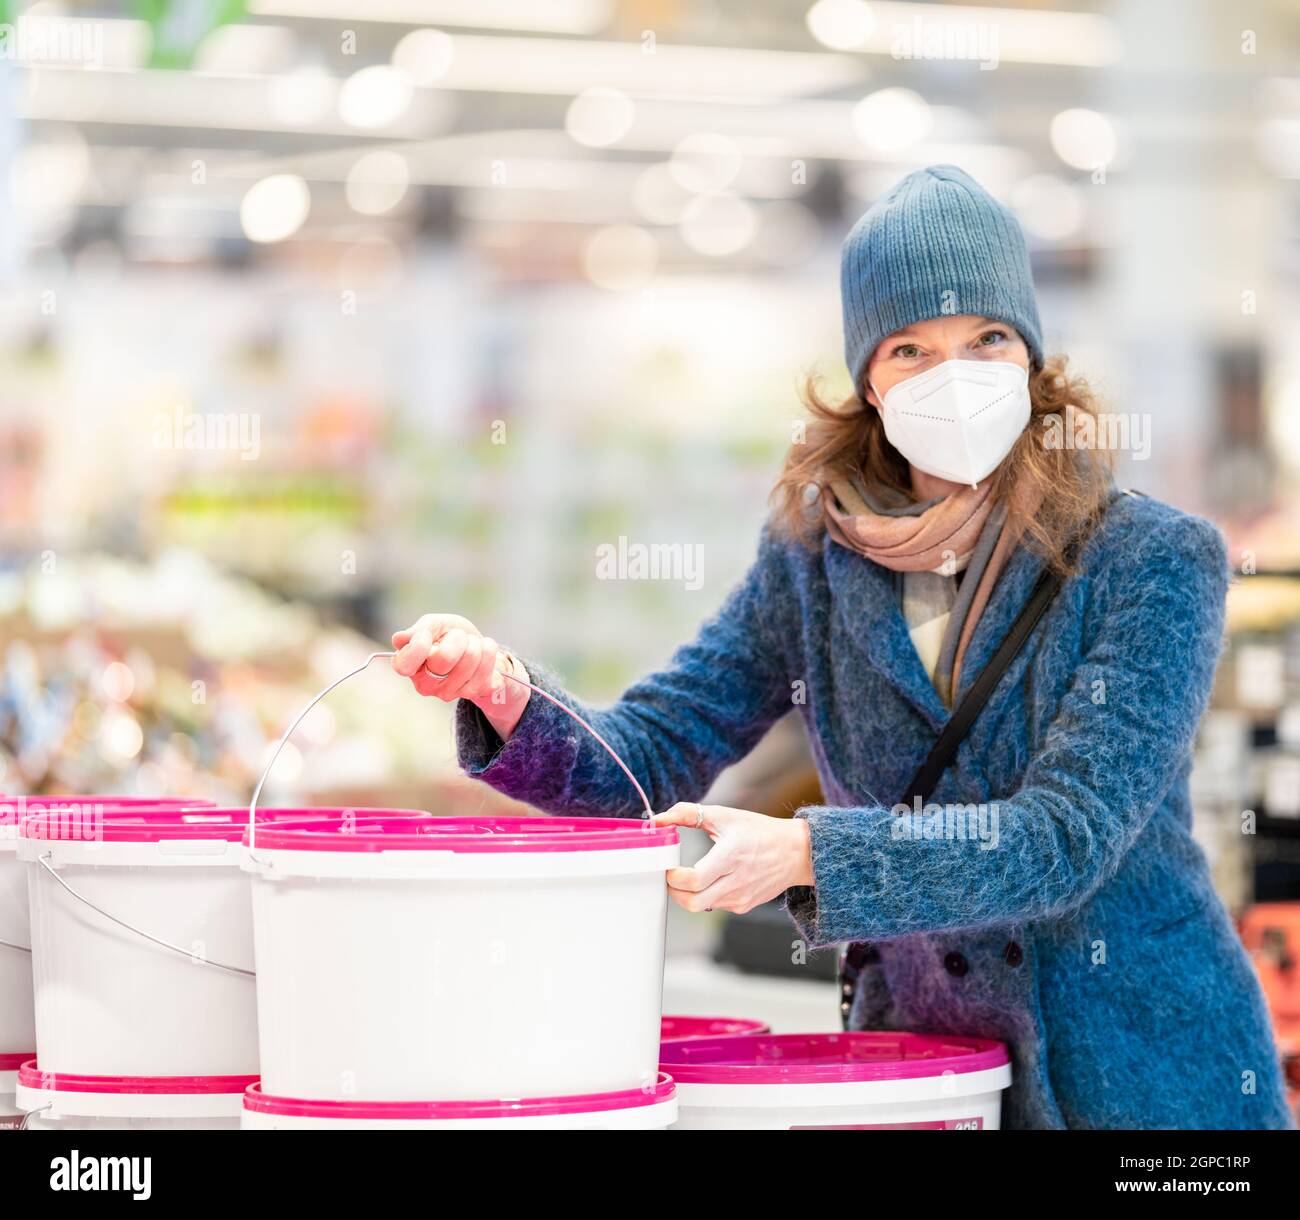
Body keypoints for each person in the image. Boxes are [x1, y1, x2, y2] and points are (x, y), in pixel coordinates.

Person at [392, 165, 1292, 1130]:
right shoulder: (814, 564)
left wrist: (814, 852)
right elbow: (649, 756)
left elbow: (1063, 839)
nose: (956, 375)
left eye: (987, 338)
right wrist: (506, 694)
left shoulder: (1149, 561)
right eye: (912, 348)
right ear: (869, 379)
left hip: (1147, 1083)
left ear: (1031, 356)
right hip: (933, 1075)